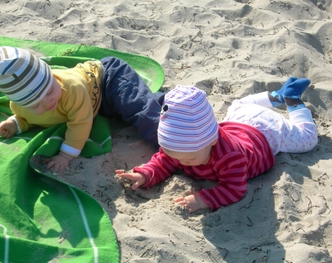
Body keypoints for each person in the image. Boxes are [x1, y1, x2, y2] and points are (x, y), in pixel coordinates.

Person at [116, 78, 318, 213]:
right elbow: (163, 161)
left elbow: (235, 188)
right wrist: (145, 174)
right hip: (240, 118)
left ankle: (292, 101)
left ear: (212, 141)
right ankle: (275, 96)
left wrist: (204, 199)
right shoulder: (182, 147)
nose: (181, 162)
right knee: (238, 105)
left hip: (266, 132)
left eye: (189, 159)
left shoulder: (230, 158)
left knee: (307, 139)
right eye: (175, 156)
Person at [0, 46, 164, 172]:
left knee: (140, 110)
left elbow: (80, 123)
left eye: (50, 91)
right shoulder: (21, 106)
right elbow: (25, 117)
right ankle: (172, 104)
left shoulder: (71, 87)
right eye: (36, 104)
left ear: (52, 75)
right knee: (142, 104)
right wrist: (14, 124)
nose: (48, 102)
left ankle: (169, 144)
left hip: (109, 79)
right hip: (98, 105)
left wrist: (65, 156)